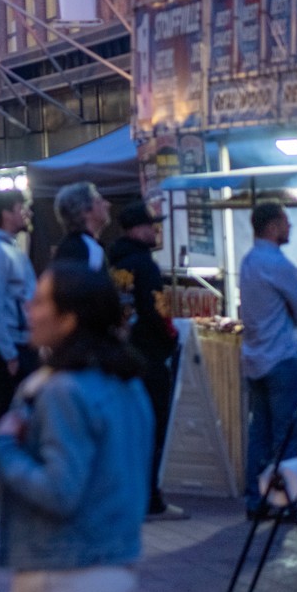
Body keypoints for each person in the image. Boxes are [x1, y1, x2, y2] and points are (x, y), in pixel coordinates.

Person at [0, 264, 153, 592]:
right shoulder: (128, 383)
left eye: (40, 301)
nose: (28, 308)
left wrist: (4, 450)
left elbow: (59, 491)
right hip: (114, 567)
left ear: (68, 319)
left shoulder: (63, 390)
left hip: (63, 576)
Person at [109, 202, 188, 522]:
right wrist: (172, 339)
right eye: (150, 225)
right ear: (136, 229)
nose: (156, 230)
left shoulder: (115, 264)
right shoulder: (145, 265)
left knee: (129, 430)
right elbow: (159, 312)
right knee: (153, 427)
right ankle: (151, 499)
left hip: (123, 355)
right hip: (150, 357)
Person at [239, 201, 297, 519]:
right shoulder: (279, 264)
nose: (290, 227)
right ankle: (287, 504)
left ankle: (256, 502)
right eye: (286, 221)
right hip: (284, 357)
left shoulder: (248, 262)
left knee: (259, 433)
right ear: (272, 226)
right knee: (287, 436)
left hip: (255, 358)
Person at [0, 188, 41, 517]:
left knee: (13, 419)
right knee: (5, 419)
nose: (25, 212)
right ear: (6, 214)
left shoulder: (5, 249)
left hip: (18, 343)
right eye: (20, 207)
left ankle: (3, 492)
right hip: (11, 347)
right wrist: (9, 352)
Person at [52, 182, 112, 270]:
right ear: (85, 212)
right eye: (98, 201)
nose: (107, 204)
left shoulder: (70, 246)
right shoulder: (86, 249)